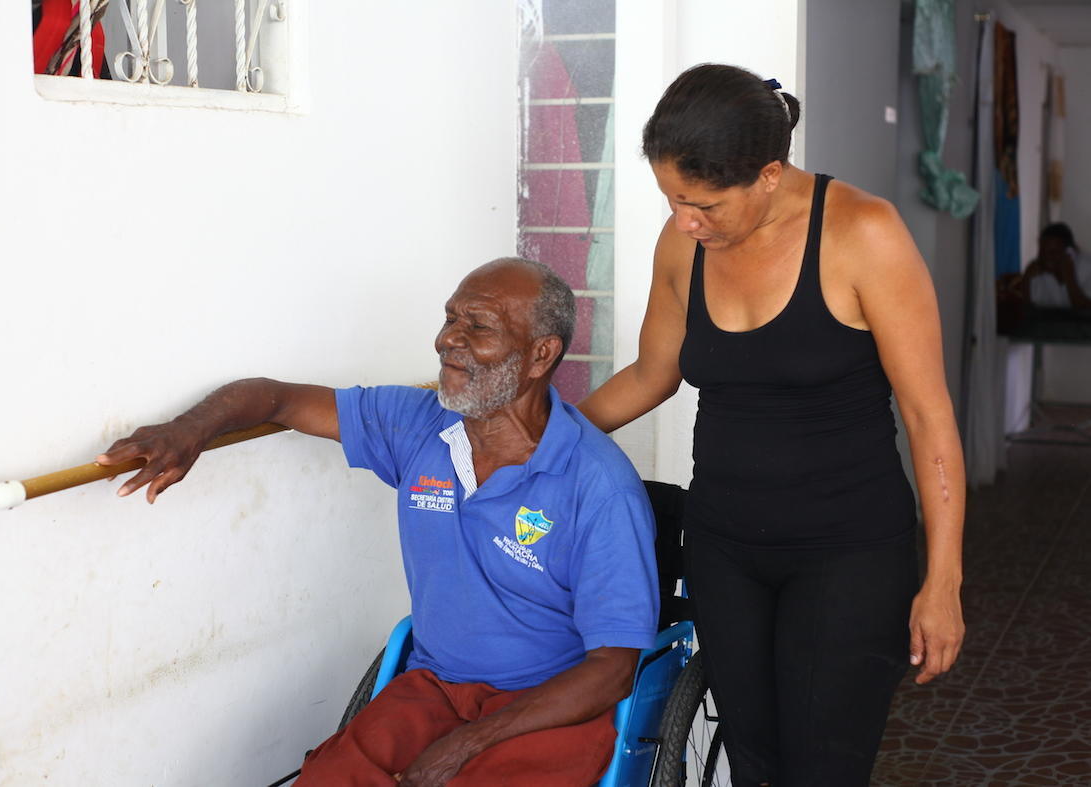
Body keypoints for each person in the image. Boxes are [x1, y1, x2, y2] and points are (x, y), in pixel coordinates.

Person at [95, 258, 660, 787]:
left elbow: (612, 669)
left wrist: (468, 743)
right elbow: (273, 399)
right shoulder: (418, 426)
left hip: (547, 711)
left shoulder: (599, 486)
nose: (447, 340)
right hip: (434, 690)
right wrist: (189, 429)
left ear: (541, 356)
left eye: (478, 326)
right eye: (449, 318)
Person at [576, 64, 966, 785]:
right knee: (752, 763)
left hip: (847, 552)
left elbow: (927, 413)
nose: (685, 221)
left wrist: (942, 580)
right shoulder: (682, 241)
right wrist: (545, 433)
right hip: (725, 548)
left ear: (767, 173)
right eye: (672, 200)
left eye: (703, 205)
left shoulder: (863, 233)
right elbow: (650, 374)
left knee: (820, 768)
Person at [1019, 222, 1091, 310]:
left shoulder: (1087, 267)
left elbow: (1086, 311)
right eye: (1042, 252)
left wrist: (1069, 277)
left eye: (1053, 252)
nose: (1046, 258)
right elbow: (1027, 315)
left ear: (1069, 253)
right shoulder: (1037, 273)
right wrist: (1026, 279)